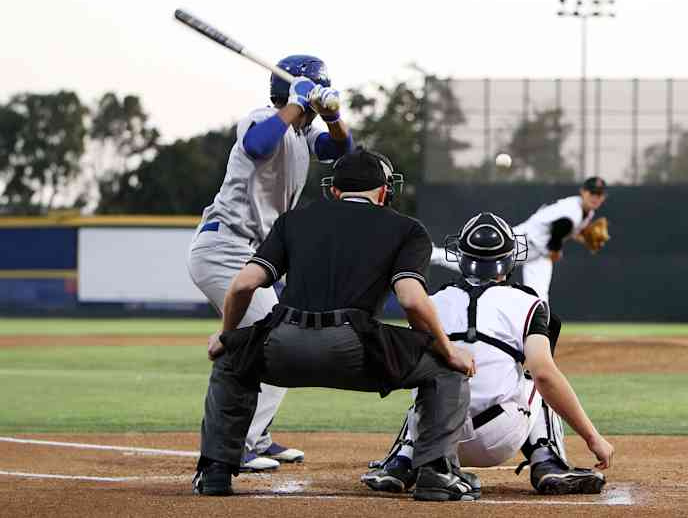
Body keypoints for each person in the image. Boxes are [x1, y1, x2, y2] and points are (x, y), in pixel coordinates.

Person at [192, 148, 482, 502]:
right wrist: (446, 350)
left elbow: (243, 285)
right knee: (445, 370)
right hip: (355, 348)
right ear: (384, 191)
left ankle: (215, 471)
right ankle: (436, 471)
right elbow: (411, 299)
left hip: (282, 344)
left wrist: (227, 336)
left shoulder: (293, 221)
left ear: (334, 190)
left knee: (230, 361)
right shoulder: (407, 229)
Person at [363, 212, 614, 495]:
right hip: (499, 437)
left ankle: (400, 462)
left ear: (462, 257)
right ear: (508, 259)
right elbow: (545, 375)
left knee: (429, 384)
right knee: (535, 377)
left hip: (434, 443)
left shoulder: (431, 303)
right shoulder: (528, 303)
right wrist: (593, 438)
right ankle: (548, 462)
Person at [186, 54, 352, 472]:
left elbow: (342, 152)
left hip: (254, 255)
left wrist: (333, 117)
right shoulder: (261, 119)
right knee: (274, 341)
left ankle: (256, 436)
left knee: (284, 339)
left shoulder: (301, 132)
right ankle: (238, 443)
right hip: (223, 249)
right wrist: (296, 102)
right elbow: (257, 146)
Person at [431, 177, 608, 301]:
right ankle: (435, 253)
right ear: (583, 192)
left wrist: (580, 238)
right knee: (478, 267)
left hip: (539, 253)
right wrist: (556, 250)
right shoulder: (573, 211)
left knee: (539, 297)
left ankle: (537, 332)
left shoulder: (586, 212)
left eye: (599, 194)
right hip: (522, 243)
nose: (595, 197)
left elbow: (568, 229)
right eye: (591, 192)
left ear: (603, 197)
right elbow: (561, 226)